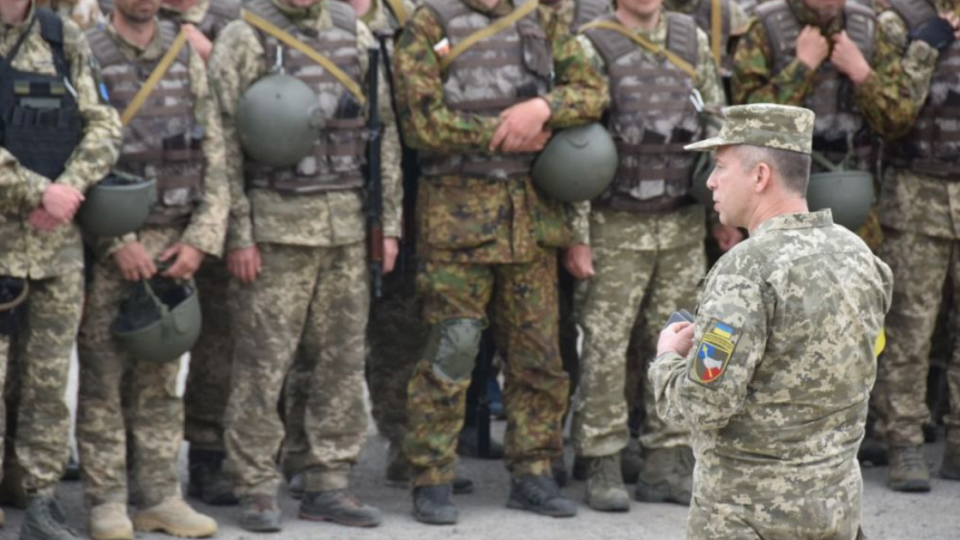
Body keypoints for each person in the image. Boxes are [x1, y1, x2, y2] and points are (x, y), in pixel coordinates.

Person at [393, 0, 608, 525]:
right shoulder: (430, 23)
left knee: (538, 357)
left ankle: (533, 471)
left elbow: (593, 91)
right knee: (452, 351)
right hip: (456, 225)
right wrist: (501, 131)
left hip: (531, 224)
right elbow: (419, 122)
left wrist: (543, 109)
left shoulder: (545, 19)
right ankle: (431, 476)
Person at [651, 103, 892, 540]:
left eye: (721, 167)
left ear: (760, 176)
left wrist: (667, 359)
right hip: (834, 509)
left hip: (748, 516)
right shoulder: (860, 256)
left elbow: (702, 405)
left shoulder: (745, 270)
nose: (710, 181)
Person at [208, 0, 402, 531]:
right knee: (261, 365)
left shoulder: (354, 33)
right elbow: (221, 145)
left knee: (340, 362)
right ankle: (253, 484)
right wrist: (238, 233)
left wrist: (387, 224)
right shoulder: (243, 38)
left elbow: (381, 136)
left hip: (344, 228)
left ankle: (327, 481)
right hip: (274, 230)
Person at [567, 0, 741, 512]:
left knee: (680, 338)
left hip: (680, 223)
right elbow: (578, 143)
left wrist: (720, 215)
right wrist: (578, 234)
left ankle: (666, 459)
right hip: (613, 222)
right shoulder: (590, 44)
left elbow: (717, 126)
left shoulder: (692, 40)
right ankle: (601, 458)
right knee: (604, 346)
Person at [74, 0, 228, 537]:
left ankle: (160, 495)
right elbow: (74, 153)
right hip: (110, 245)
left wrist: (201, 241)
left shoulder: (187, 54)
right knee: (102, 381)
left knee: (163, 380)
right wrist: (116, 239)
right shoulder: (85, 51)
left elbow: (216, 152)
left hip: (175, 245)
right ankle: (107, 500)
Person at [0, 0, 121, 538]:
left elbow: (103, 122)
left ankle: (41, 497)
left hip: (56, 247)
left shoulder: (61, 37)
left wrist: (69, 189)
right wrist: (37, 191)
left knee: (48, 384)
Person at [873, 0, 960, 492]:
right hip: (916, 199)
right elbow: (891, 117)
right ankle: (904, 441)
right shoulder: (897, 24)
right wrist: (924, 48)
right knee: (909, 331)